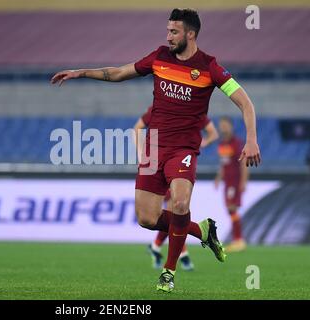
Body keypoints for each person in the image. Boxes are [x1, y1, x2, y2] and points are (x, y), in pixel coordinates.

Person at [51, 8, 261, 292]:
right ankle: (203, 232)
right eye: (168, 31)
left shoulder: (210, 67)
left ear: (191, 34)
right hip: (153, 149)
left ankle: (168, 272)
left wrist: (251, 139)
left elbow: (245, 103)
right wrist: (81, 72)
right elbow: (118, 73)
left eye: (174, 32)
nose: (168, 36)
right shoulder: (159, 57)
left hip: (183, 149)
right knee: (147, 219)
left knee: (180, 204)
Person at [134, 105, 219, 270]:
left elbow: (213, 133)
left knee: (177, 208)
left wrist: (194, 148)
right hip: (157, 163)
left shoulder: (193, 107)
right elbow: (137, 127)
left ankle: (163, 249)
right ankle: (173, 250)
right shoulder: (159, 108)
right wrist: (142, 154)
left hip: (178, 162)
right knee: (167, 214)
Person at [215, 116, 249, 252]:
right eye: (221, 125)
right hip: (227, 182)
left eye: (225, 125)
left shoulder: (237, 143)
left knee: (232, 208)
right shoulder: (222, 144)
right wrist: (218, 178)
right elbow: (223, 164)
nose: (223, 127)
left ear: (231, 126)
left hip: (235, 182)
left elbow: (244, 164)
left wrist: (243, 182)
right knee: (230, 209)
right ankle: (238, 239)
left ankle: (238, 240)